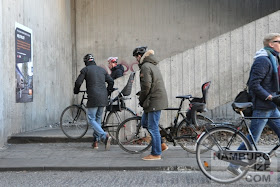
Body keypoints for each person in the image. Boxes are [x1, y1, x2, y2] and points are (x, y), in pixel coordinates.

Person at [227, 33, 280, 175]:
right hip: (263, 107)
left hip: (272, 107)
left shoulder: (273, 58)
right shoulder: (263, 60)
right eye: (279, 42)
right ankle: (234, 164)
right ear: (271, 44)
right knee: (252, 139)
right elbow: (254, 84)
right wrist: (270, 97)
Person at [133, 46, 168, 161]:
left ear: (139, 56)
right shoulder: (151, 65)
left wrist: (141, 98)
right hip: (153, 99)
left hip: (154, 100)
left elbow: (146, 86)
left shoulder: (145, 66)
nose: (136, 60)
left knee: (152, 127)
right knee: (145, 122)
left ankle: (156, 153)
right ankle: (161, 145)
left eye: (136, 57)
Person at [74, 54, 114, 150]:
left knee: (91, 119)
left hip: (93, 97)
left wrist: (76, 91)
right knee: (98, 119)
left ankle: (104, 136)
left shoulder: (85, 70)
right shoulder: (102, 70)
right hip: (103, 97)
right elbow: (111, 81)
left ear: (86, 62)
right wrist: (108, 91)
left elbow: (78, 82)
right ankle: (95, 142)